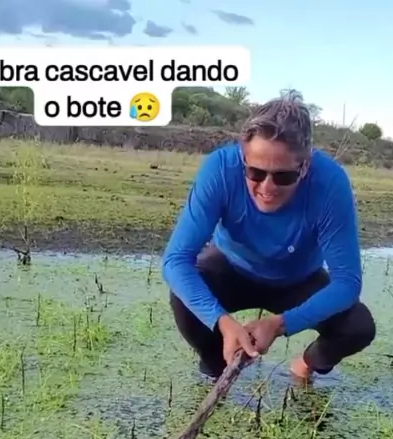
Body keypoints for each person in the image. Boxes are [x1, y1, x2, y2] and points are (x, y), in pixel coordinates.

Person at [161, 93, 376, 383]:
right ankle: (216, 367)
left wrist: (280, 324)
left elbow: (347, 283)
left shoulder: (330, 183)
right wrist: (222, 322)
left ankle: (305, 365)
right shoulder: (220, 169)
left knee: (358, 327)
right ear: (243, 159)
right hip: (231, 267)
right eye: (255, 172)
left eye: (283, 176)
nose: (267, 187)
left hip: (298, 279)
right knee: (184, 297)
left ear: (305, 165)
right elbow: (175, 261)